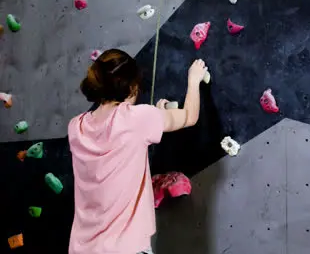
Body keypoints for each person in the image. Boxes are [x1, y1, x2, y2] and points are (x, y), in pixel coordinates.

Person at [67, 49, 207, 254]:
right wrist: (194, 80)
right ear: (132, 88)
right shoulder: (138, 119)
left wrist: (157, 115)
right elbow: (189, 116)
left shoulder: (75, 127)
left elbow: (116, 135)